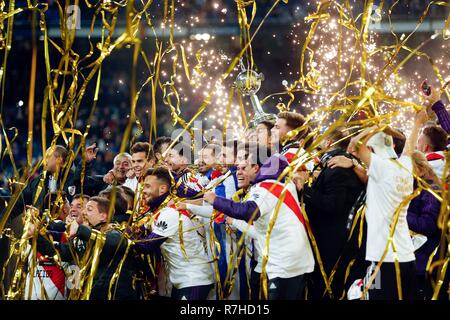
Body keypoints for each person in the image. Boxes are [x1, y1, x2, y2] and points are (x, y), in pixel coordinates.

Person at [204, 143, 315, 300]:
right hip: (289, 261)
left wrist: (216, 200)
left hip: (286, 264)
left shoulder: (268, 186)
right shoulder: (277, 181)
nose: (238, 173)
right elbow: (257, 229)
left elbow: (249, 211)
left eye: (243, 168)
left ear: (256, 167)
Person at [347, 110, 428, 300]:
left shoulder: (381, 168)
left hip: (383, 260)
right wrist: (417, 123)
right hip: (407, 257)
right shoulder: (405, 165)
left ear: (373, 151)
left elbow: (353, 147)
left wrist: (374, 127)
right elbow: (409, 147)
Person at [296, 127, 365, 300]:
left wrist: (305, 189)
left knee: (327, 286)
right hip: (335, 237)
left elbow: (333, 205)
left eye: (320, 140)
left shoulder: (337, 166)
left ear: (327, 143)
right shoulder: (338, 163)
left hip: (331, 240)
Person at [33, 196, 138, 300]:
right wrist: (35, 237)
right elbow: (59, 252)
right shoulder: (81, 240)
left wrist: (79, 230)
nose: (84, 212)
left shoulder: (117, 234)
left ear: (104, 216)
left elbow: (105, 242)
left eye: (89, 209)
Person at [135, 167, 215, 300]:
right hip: (182, 281)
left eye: (148, 186)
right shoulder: (160, 212)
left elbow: (147, 246)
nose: (144, 191)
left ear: (162, 189)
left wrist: (128, 236)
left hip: (194, 280)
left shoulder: (170, 213)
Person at [407, 152, 441, 300]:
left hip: (420, 260)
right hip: (409, 255)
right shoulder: (414, 187)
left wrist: (398, 211)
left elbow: (426, 225)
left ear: (420, 170)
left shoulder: (431, 191)